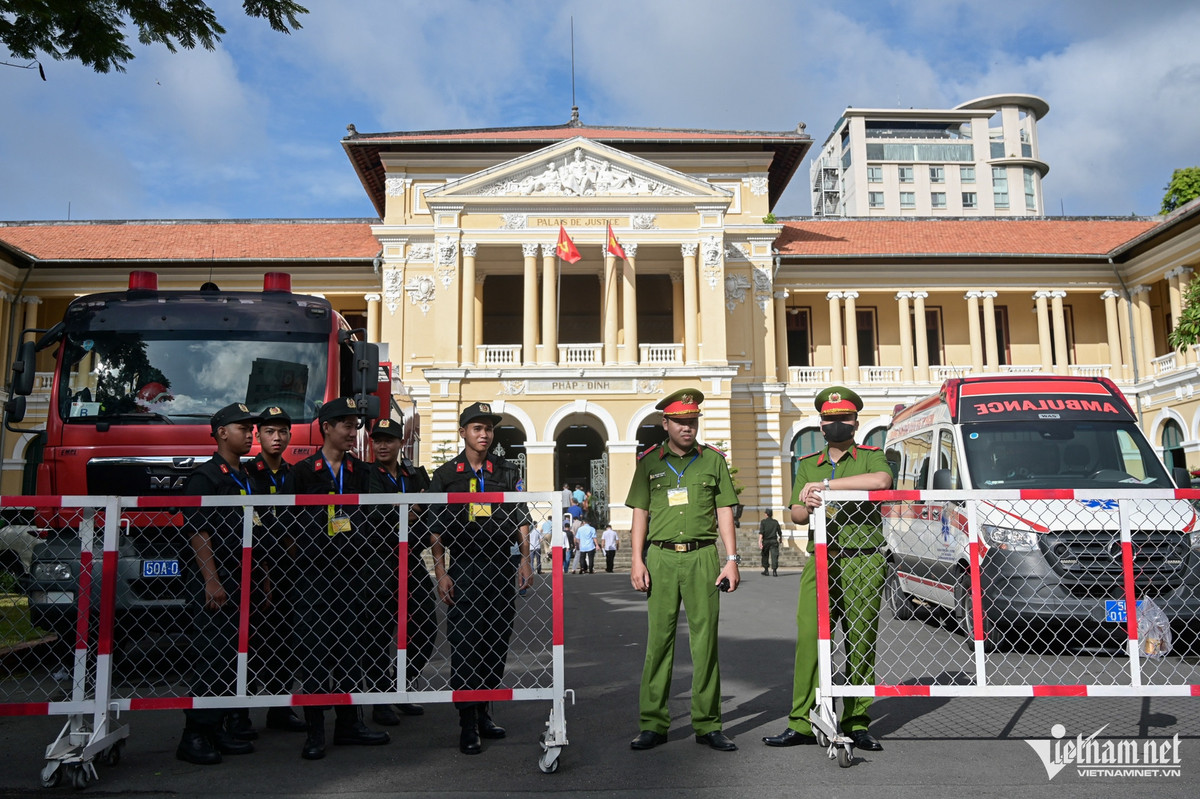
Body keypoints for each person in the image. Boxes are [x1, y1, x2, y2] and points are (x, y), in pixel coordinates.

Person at [762, 386, 892, 753]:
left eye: (844, 419)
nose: (837, 424)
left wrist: (828, 487)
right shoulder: (806, 463)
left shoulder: (870, 455)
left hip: (864, 557)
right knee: (810, 641)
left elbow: (881, 482)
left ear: (855, 422)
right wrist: (807, 497)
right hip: (822, 559)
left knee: (861, 642)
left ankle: (856, 722)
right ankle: (802, 721)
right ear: (821, 424)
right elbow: (798, 515)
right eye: (830, 419)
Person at [626, 388, 741, 752]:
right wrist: (636, 559)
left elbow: (725, 511)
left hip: (702, 557)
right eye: (680, 422)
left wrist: (732, 559)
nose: (687, 428)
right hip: (660, 558)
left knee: (705, 643)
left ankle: (708, 724)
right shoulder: (649, 462)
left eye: (692, 421)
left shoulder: (713, 461)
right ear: (666, 424)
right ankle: (653, 723)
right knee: (658, 641)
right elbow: (640, 512)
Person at [427, 401, 533, 755]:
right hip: (466, 567)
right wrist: (441, 572)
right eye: (477, 428)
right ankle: (467, 722)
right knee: (466, 642)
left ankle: (485, 711)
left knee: (495, 641)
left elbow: (520, 516)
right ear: (463, 433)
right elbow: (436, 530)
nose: (484, 434)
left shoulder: (505, 470)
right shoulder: (446, 475)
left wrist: (525, 559)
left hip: (500, 566)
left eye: (488, 428)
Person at [289, 397, 391, 760]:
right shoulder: (302, 472)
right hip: (313, 577)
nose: (353, 432)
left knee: (351, 651)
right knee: (315, 654)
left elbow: (377, 520)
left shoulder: (363, 472)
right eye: (346, 425)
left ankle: (350, 725)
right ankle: (315, 731)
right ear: (326, 428)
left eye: (355, 425)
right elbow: (289, 527)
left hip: (353, 574)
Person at [175, 403, 262, 765]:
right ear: (221, 432)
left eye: (250, 428)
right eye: (243, 428)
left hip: (245, 578)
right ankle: (195, 736)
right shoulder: (206, 477)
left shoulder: (247, 476)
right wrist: (211, 580)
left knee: (232, 658)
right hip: (218, 580)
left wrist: (265, 580)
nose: (250, 434)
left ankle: (219, 728)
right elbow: (199, 531)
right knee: (212, 656)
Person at [237, 406, 307, 736]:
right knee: (251, 641)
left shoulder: (294, 475)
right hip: (256, 568)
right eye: (269, 432)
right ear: (258, 436)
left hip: (289, 569)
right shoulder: (249, 473)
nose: (276, 438)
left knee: (287, 641)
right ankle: (239, 712)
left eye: (282, 432)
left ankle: (281, 707)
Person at [366, 417, 434, 725]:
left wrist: (405, 510)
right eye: (377, 440)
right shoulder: (367, 475)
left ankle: (401, 683)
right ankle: (381, 698)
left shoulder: (414, 473)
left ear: (400, 443)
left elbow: (432, 511)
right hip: (378, 561)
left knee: (426, 626)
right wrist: (412, 508)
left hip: (411, 558)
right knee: (379, 632)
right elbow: (376, 517)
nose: (382, 445)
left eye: (388, 440)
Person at [758, 509, 782, 577]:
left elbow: (761, 532)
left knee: (765, 555)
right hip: (774, 541)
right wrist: (780, 539)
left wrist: (759, 541)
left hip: (766, 541)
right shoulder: (775, 522)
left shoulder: (763, 522)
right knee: (774, 556)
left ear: (766, 514)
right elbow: (779, 532)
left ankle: (766, 570)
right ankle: (774, 571)